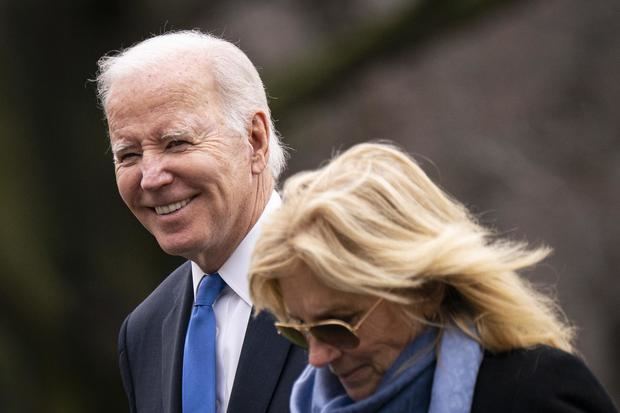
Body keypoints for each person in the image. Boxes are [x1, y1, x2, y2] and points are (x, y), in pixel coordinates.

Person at [248, 142, 618, 413]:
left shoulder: (533, 394)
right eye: (298, 330)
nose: (317, 356)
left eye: (337, 324)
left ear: (425, 289)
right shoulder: (304, 404)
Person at [95, 30, 306, 413]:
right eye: (128, 154)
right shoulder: (145, 331)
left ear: (254, 140)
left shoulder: (353, 280)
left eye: (176, 142)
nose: (151, 177)